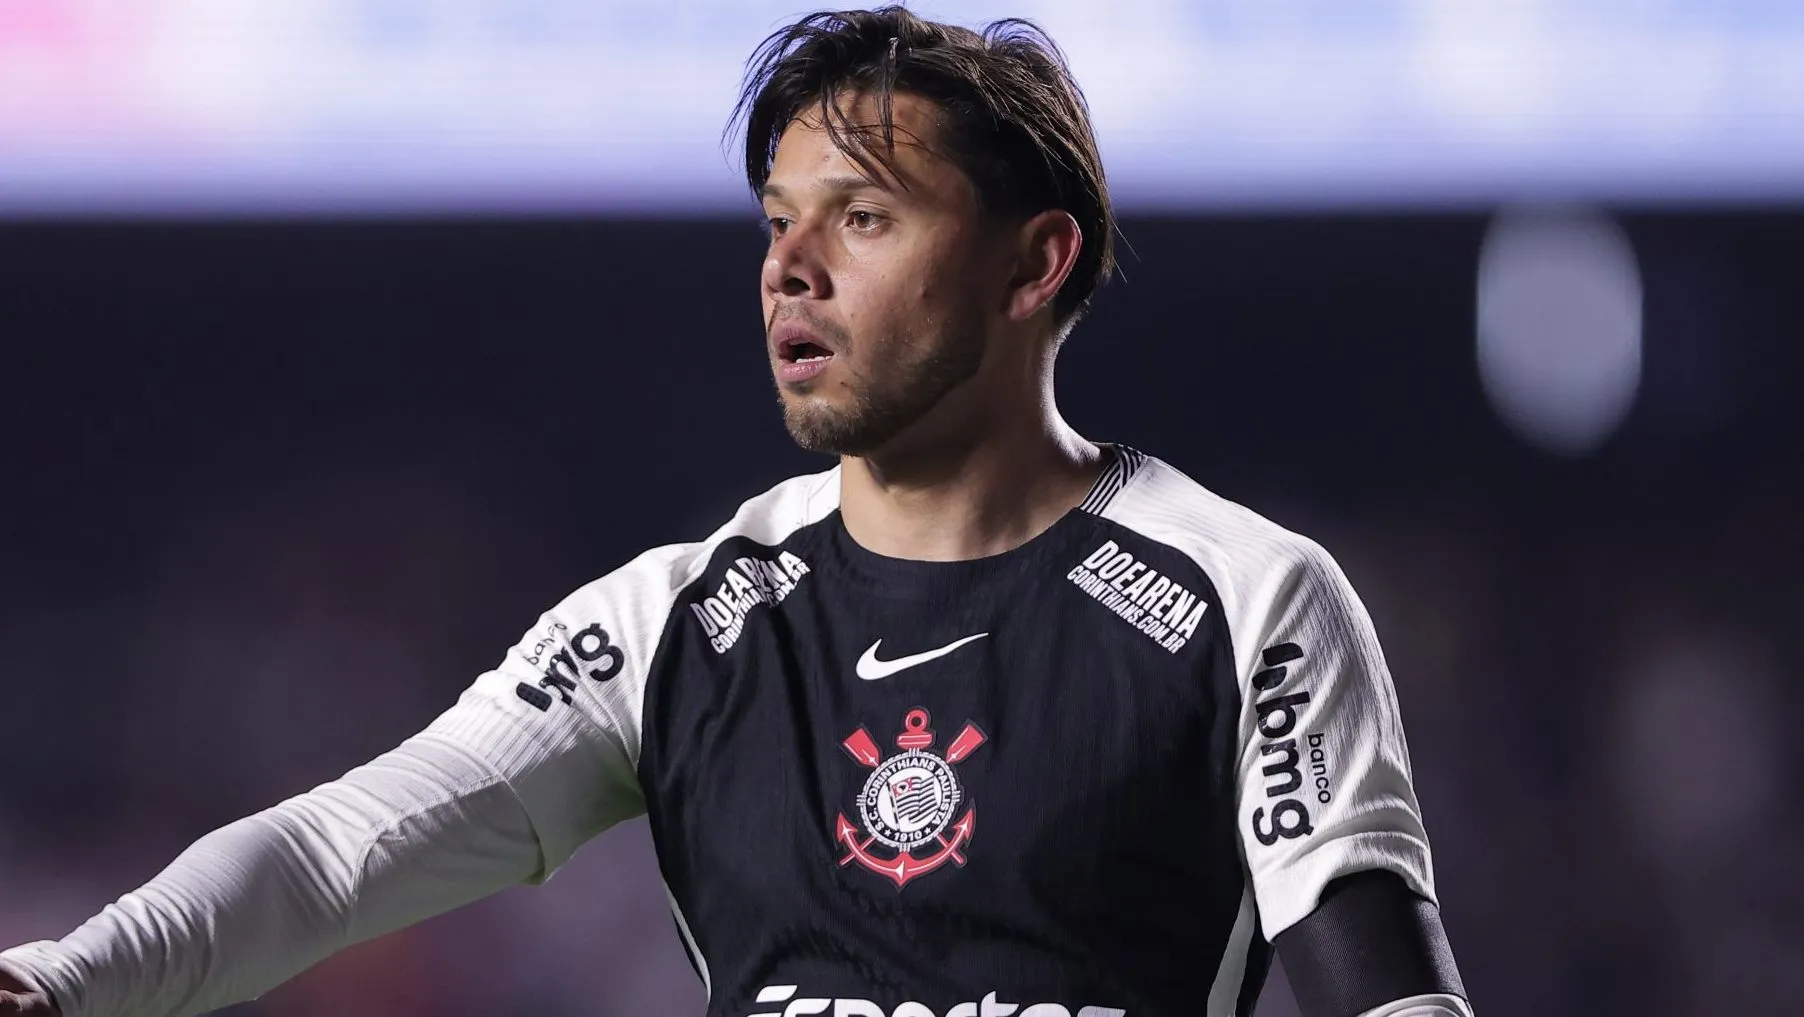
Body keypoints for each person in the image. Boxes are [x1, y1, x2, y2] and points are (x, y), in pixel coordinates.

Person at [0, 8, 1472, 1017]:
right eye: (779, 220)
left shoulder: (1246, 598)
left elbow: (1389, 994)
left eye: (864, 217)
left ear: (1035, 265)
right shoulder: (680, 622)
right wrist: (65, 980)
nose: (790, 267)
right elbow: (334, 856)